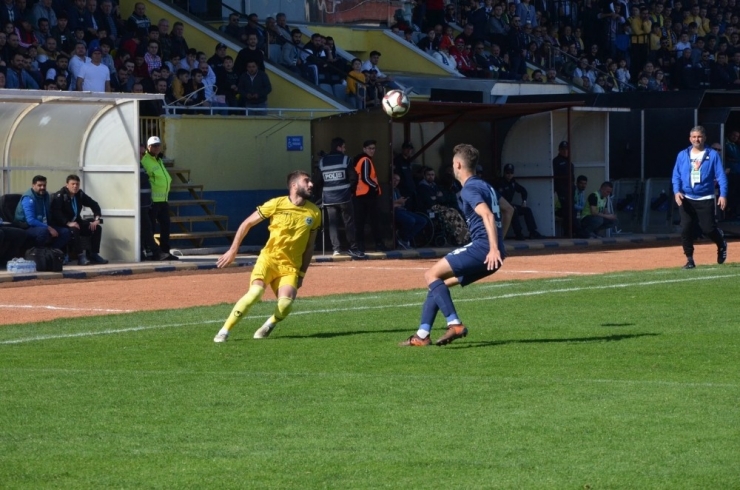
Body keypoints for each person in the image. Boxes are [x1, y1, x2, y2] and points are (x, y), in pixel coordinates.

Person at [400, 144, 514, 347]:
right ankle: (422, 335)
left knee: (430, 275)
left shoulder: (469, 188)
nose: (453, 168)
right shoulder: (486, 186)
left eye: (453, 164)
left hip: (483, 249)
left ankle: (455, 323)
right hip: (492, 252)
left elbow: (487, 214)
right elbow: (508, 209)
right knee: (437, 284)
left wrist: (493, 247)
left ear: (458, 165)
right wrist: (499, 244)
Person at [213, 170, 321, 342]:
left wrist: (301, 274)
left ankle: (269, 324)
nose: (311, 184)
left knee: (285, 305)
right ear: (294, 185)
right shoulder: (276, 204)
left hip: (291, 267)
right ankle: (224, 330)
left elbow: (309, 247)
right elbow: (247, 223)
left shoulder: (315, 213)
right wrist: (233, 250)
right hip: (269, 260)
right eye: (306, 181)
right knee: (255, 293)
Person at [672, 126, 728, 269]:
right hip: (686, 197)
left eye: (699, 137)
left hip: (705, 197)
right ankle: (690, 259)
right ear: (690, 139)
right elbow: (676, 175)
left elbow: (721, 176)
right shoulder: (682, 154)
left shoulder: (712, 155)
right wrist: (676, 191)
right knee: (686, 228)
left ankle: (721, 244)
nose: (697, 139)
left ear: (704, 138)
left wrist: (723, 194)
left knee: (708, 229)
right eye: (694, 137)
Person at [315, 137, 364, 258]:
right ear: (339, 147)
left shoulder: (322, 162)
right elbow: (353, 178)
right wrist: (350, 191)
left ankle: (336, 249)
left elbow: (317, 181)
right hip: (345, 198)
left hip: (329, 199)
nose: (345, 149)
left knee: (332, 224)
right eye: (343, 147)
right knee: (349, 223)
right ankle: (353, 248)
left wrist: (321, 194)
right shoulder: (346, 159)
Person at [50, 174, 108, 265]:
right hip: (63, 224)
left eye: (77, 184)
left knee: (96, 228)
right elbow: (56, 212)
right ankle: (80, 256)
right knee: (74, 229)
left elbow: (94, 204)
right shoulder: (60, 195)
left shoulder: (79, 194)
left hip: (76, 222)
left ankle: (93, 254)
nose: (75, 186)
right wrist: (68, 222)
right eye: (72, 184)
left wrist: (96, 219)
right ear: (67, 185)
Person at [141, 136, 178, 260]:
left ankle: (165, 251)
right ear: (148, 147)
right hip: (152, 201)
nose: (157, 147)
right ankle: (152, 252)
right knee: (151, 227)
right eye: (154, 145)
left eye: (158, 145)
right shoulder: (145, 160)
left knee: (166, 225)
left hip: (163, 200)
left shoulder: (159, 159)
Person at [14, 175, 71, 250]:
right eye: (39, 185)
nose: (42, 187)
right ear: (33, 185)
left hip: (43, 224)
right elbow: (31, 220)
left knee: (65, 232)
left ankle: (51, 252)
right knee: (43, 232)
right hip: (27, 226)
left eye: (44, 185)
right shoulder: (28, 198)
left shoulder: (45, 195)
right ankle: (37, 253)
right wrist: (48, 228)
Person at [353, 139, 387, 252]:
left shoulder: (360, 160)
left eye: (373, 148)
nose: (372, 150)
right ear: (364, 149)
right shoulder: (365, 160)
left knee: (360, 222)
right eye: (370, 148)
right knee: (374, 221)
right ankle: (378, 244)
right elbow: (366, 177)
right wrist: (375, 187)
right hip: (367, 195)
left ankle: (361, 245)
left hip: (359, 195)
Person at [495, 164, 543, 240]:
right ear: (504, 173)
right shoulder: (501, 183)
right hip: (502, 207)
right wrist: (509, 206)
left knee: (527, 210)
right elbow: (499, 198)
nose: (509, 175)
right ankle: (518, 233)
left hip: (510, 205)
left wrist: (524, 201)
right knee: (514, 210)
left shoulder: (513, 183)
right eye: (507, 173)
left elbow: (523, 191)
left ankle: (532, 232)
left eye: (511, 173)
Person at [392, 173, 426, 249]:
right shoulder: (386, 189)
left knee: (422, 220)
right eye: (394, 179)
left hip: (402, 210)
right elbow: (387, 205)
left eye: (398, 180)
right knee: (411, 220)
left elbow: (400, 204)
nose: (396, 182)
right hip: (394, 211)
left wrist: (400, 202)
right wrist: (397, 202)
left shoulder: (396, 190)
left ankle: (404, 239)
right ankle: (402, 236)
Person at [553, 140, 575, 236]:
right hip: (562, 189)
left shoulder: (569, 161)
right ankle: (568, 232)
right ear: (559, 150)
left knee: (571, 210)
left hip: (570, 189)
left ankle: (571, 231)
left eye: (566, 149)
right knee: (567, 211)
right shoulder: (556, 161)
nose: (565, 151)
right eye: (563, 149)